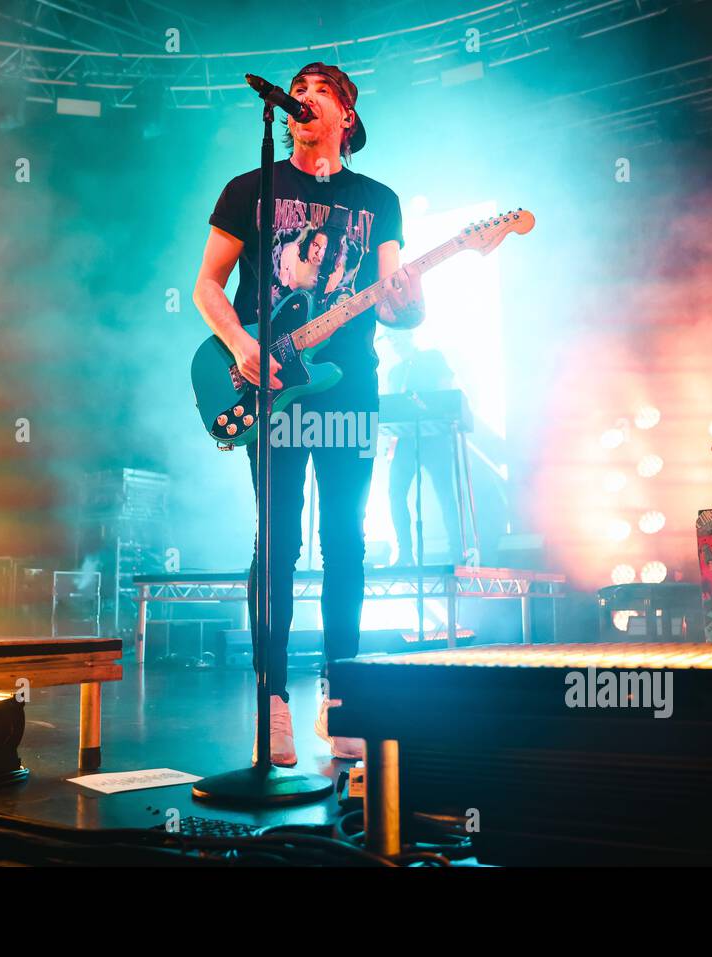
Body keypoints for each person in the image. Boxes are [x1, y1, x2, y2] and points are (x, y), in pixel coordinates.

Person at [193, 62, 425, 765]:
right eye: (300, 90)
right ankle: (273, 700)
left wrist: (409, 303)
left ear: (346, 116)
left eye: (321, 90)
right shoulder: (249, 188)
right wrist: (240, 344)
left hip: (350, 384)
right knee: (280, 540)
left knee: (346, 543)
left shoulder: (377, 199)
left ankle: (343, 694)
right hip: (269, 383)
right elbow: (207, 283)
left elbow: (399, 304)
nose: (305, 97)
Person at [384, 332, 463, 566]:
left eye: (396, 338)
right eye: (390, 340)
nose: (394, 343)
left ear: (408, 335)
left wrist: (440, 412)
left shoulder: (432, 358)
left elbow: (446, 391)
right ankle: (405, 553)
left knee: (446, 494)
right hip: (405, 439)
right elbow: (393, 408)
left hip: (435, 435)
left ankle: (457, 551)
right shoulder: (395, 372)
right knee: (395, 492)